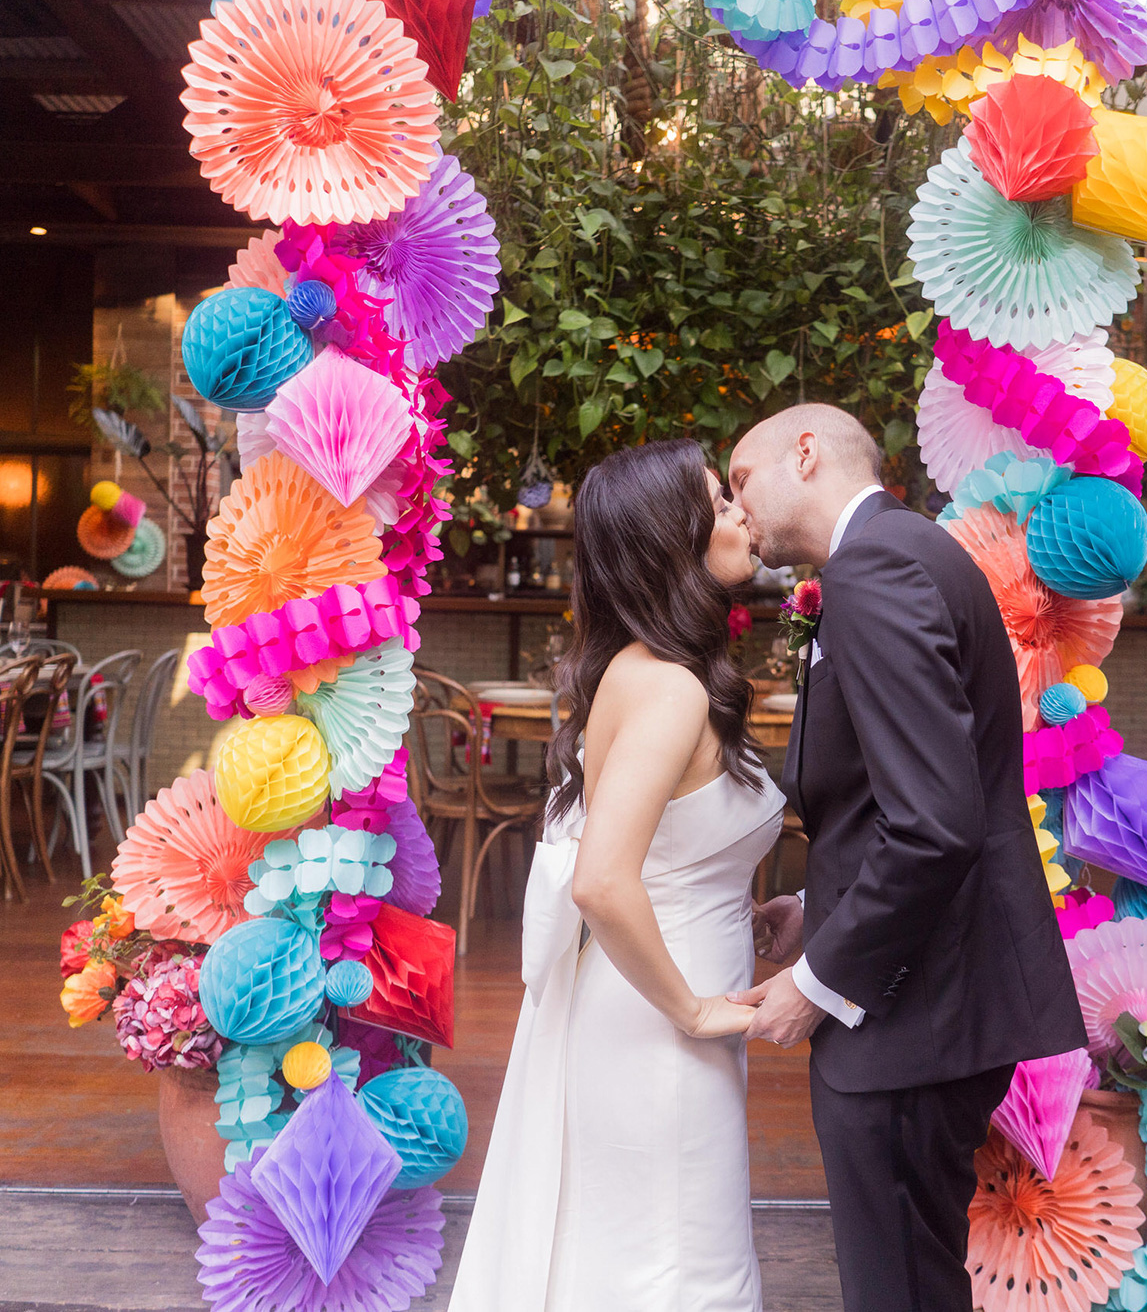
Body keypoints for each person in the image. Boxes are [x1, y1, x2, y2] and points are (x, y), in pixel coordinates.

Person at [726, 404, 1087, 1312]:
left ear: (805, 452)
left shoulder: (876, 565)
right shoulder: (910, 550)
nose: (737, 507)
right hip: (939, 992)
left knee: (900, 1289)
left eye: (740, 479)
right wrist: (822, 902)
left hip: (913, 1014)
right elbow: (911, 794)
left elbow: (932, 821)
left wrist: (818, 981)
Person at [448, 439, 787, 1311]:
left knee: (644, 1253)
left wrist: (735, 906)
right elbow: (604, 878)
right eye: (718, 503)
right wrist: (696, 1008)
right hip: (659, 1029)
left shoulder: (649, 670)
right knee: (674, 1265)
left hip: (651, 1004)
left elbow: (667, 848)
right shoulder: (667, 686)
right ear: (673, 538)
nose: (742, 513)